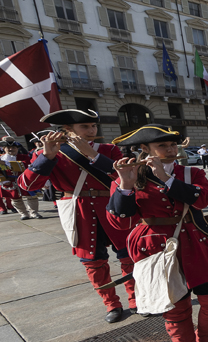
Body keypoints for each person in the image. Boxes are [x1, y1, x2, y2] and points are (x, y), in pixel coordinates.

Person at [108, 126, 208, 342]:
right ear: (145, 150)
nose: (171, 150)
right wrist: (125, 184)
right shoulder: (129, 176)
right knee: (175, 307)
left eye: (173, 145)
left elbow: (201, 200)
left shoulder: (190, 172)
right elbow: (119, 222)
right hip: (155, 248)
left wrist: (166, 177)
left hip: (197, 244)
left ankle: (205, 335)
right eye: (163, 146)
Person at [19, 109, 137, 322]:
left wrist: (93, 156)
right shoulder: (51, 151)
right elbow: (27, 186)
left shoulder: (109, 150)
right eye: (85, 126)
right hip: (78, 211)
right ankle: (111, 303)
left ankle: (136, 298)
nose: (92, 130)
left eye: (94, 126)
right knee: (92, 261)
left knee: (129, 255)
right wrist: (47, 157)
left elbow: (127, 178)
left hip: (112, 206)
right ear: (68, 129)